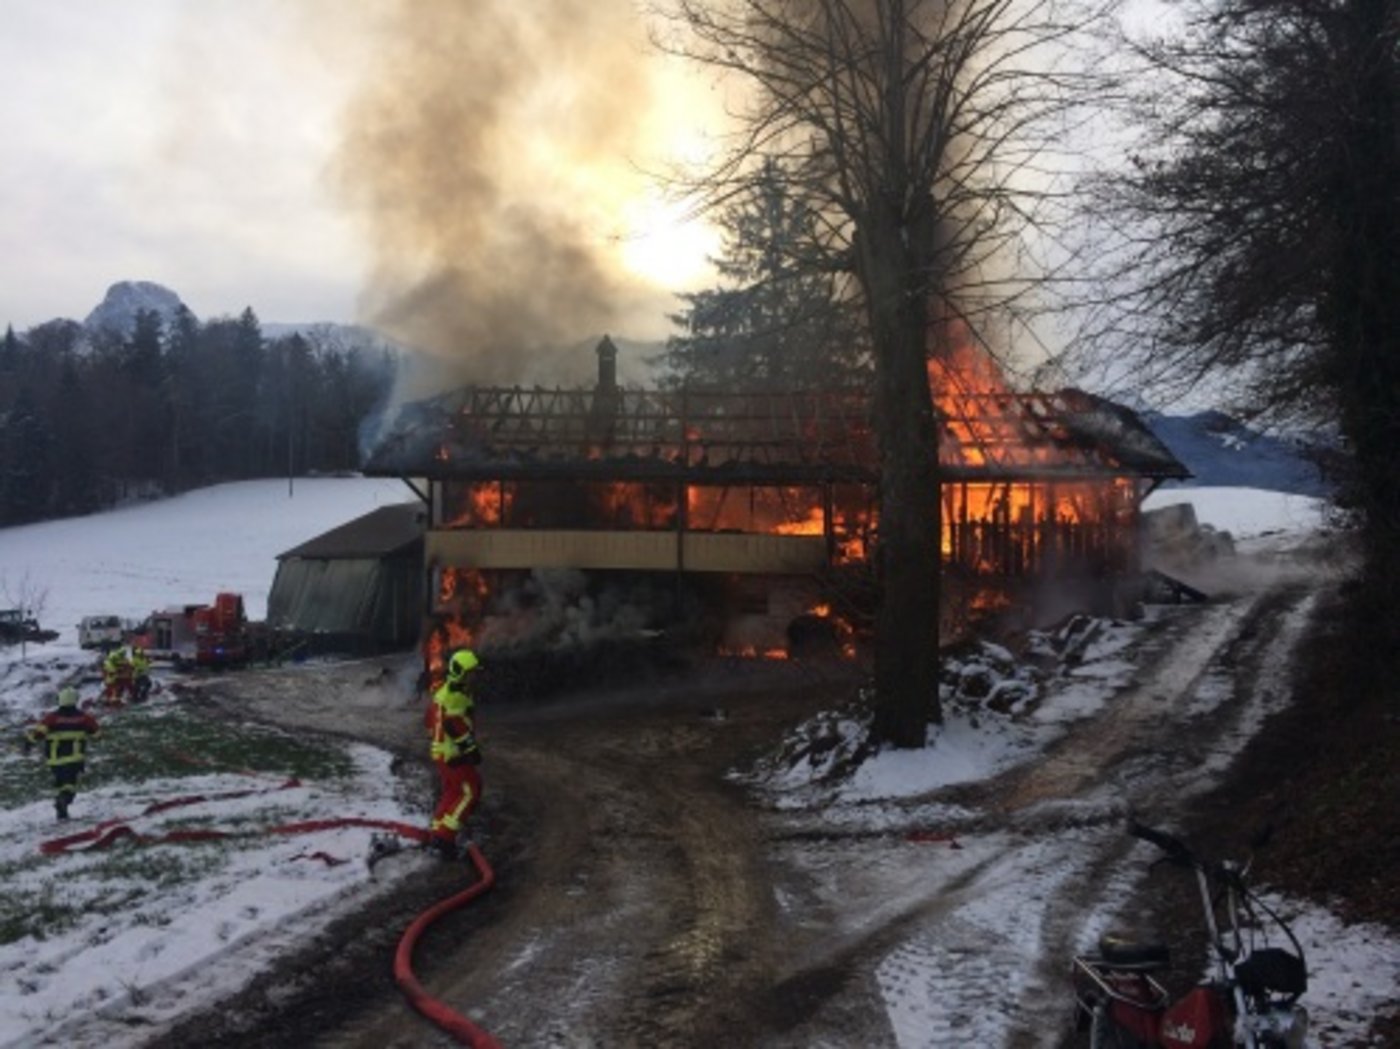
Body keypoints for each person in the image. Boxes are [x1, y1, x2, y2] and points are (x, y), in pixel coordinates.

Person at [425, 648, 484, 860]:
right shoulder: (457, 696)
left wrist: (436, 739)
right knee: (470, 791)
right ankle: (445, 837)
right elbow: (454, 724)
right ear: (462, 673)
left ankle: (437, 831)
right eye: (472, 672)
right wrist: (470, 749)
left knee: (451, 791)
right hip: (454, 754)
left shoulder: (443, 691)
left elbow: (429, 719)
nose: (476, 676)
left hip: (440, 752)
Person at [24, 687, 102, 820]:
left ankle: (62, 810)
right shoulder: (84, 718)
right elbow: (97, 735)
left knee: (61, 782)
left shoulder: (51, 718)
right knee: (70, 784)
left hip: (54, 759)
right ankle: (63, 801)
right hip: (75, 758)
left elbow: (39, 734)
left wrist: (28, 744)